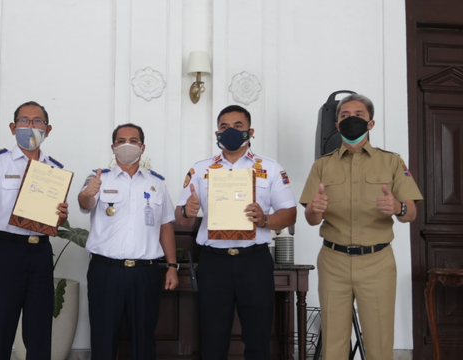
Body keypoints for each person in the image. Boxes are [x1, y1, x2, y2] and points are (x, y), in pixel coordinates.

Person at [300, 93, 422, 360]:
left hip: (377, 262)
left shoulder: (392, 162)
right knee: (333, 343)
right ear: (336, 125)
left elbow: (410, 212)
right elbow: (311, 218)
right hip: (333, 261)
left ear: (371, 123)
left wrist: (397, 207)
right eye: (345, 116)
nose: (351, 120)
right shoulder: (322, 165)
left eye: (358, 116)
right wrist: (313, 210)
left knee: (379, 342)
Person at [175, 105, 296, 360]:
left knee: (258, 336)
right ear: (216, 133)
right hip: (213, 262)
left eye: (237, 126)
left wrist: (265, 220)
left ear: (250, 131)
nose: (230, 131)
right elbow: (182, 221)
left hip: (254, 260)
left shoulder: (270, 168)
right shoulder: (200, 169)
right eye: (224, 127)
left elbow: (289, 214)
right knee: (212, 336)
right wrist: (187, 211)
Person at [0, 101, 68, 360]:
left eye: (37, 121)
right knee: (0, 329)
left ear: (48, 129)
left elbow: (55, 218)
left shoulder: (54, 169)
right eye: (24, 121)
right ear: (13, 128)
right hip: (4, 251)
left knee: (39, 330)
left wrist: (60, 216)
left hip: (40, 253)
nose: (30, 126)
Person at [78, 123, 178, 360]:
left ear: (142, 148)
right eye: (121, 140)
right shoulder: (98, 179)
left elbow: (166, 225)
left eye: (133, 141)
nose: (127, 145)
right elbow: (84, 204)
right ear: (113, 147)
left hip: (146, 273)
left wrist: (172, 266)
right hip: (105, 271)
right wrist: (88, 192)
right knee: (103, 338)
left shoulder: (156, 183)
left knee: (143, 339)